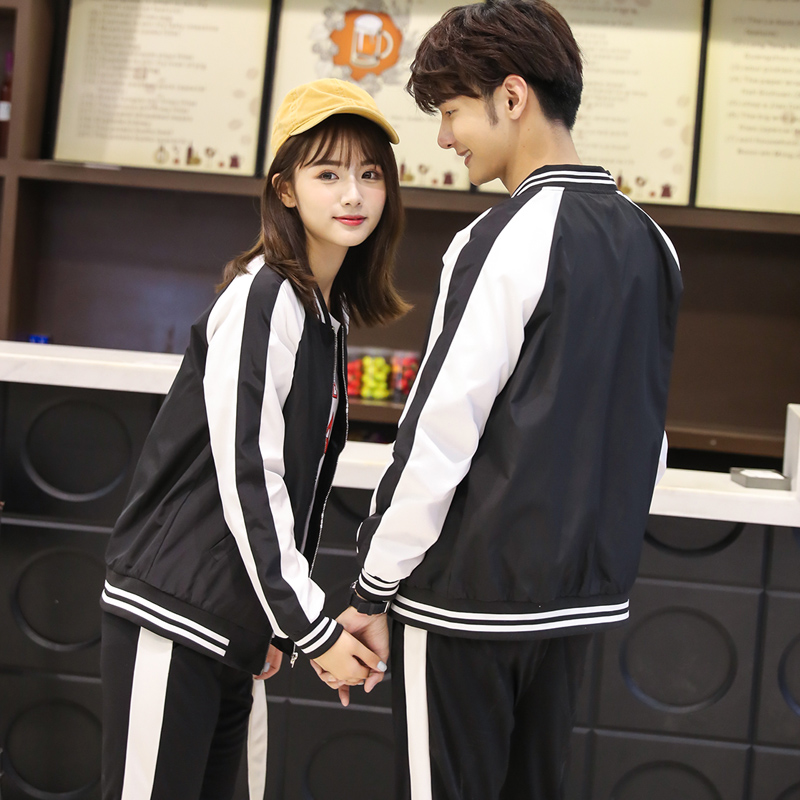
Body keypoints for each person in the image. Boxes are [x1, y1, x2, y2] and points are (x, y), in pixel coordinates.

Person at [321, 1, 684, 798]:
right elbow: (646, 439)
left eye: (452, 111)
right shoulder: (653, 243)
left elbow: (438, 433)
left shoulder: (501, 238)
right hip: (576, 606)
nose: (445, 137)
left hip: (463, 602)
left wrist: (373, 587)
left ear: (511, 97)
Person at [99, 78, 407, 800]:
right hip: (173, 612)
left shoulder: (324, 310)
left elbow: (296, 484)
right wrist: (311, 628)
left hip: (228, 625)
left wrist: (274, 623)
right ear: (285, 189)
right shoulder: (263, 296)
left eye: (370, 174)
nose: (353, 193)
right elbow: (250, 477)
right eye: (327, 174)